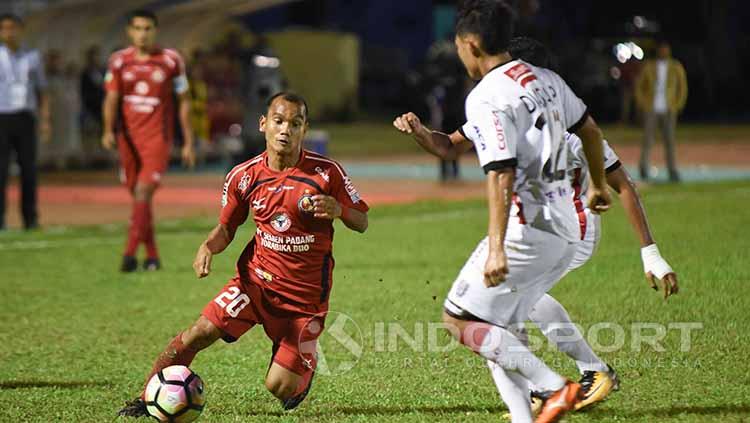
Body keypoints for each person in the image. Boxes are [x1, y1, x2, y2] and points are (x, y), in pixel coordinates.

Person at [398, 35, 680, 420]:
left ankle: (576, 375)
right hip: (540, 226)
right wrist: (419, 132)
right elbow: (449, 144)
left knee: (500, 311)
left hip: (566, 229)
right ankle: (537, 398)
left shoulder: (559, 128)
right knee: (503, 316)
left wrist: (650, 251)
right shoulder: (515, 111)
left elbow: (620, 181)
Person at [393, 2, 612, 422]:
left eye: (457, 46)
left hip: (527, 230)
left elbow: (500, 173)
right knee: (498, 330)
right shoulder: (545, 79)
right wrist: (598, 185)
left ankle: (551, 386)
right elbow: (589, 129)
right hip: (565, 228)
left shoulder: (488, 95)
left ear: (471, 45)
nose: (458, 55)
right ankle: (522, 417)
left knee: (458, 320)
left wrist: (497, 248)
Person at [117, 92, 369, 418]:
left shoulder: (327, 173)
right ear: (264, 124)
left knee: (279, 386)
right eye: (278, 121)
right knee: (197, 333)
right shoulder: (244, 176)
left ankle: (302, 367)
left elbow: (361, 221)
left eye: (295, 124)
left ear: (304, 129)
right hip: (255, 283)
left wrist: (338, 209)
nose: (285, 130)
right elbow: (226, 228)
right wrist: (208, 247)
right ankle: (146, 396)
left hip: (304, 300)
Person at [102, 9, 195, 271]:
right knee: (139, 198)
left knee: (143, 192)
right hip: (127, 139)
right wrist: (108, 130)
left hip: (158, 139)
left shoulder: (171, 60)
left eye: (148, 29)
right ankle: (153, 256)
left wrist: (188, 141)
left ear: (155, 31)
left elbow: (184, 101)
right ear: (129, 32)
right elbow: (111, 98)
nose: (143, 34)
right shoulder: (119, 61)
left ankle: (129, 256)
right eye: (138, 28)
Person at [0, 13, 50, 231]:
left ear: (21, 29)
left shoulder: (33, 56)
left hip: (25, 117)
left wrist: (46, 119)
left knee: (29, 170)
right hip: (1, 117)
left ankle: (30, 219)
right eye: (4, 28)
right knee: (0, 171)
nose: (9, 32)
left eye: (13, 27)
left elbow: (43, 90)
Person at [634, 40, 687, 182]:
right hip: (651, 109)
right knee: (648, 140)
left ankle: (672, 170)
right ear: (658, 51)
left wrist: (677, 104)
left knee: (669, 141)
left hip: (669, 109)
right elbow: (639, 86)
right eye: (662, 49)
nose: (664, 51)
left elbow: (682, 87)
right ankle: (644, 168)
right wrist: (643, 104)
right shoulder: (649, 66)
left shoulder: (675, 67)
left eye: (666, 49)